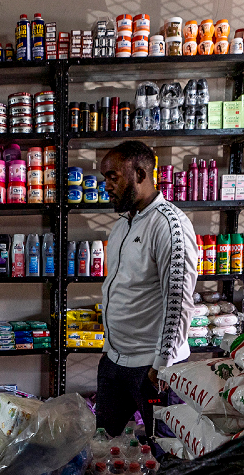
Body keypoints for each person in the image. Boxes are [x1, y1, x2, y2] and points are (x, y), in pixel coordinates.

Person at [96, 141, 198, 437]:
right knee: (103, 443)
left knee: (164, 448)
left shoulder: (169, 224)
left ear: (140, 173)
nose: (107, 187)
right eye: (105, 179)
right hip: (114, 362)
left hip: (152, 370)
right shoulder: (122, 225)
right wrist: (108, 349)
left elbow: (178, 301)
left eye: (113, 177)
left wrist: (162, 364)